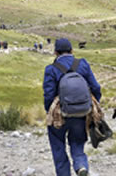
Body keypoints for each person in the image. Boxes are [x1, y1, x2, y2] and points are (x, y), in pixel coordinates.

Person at [43, 38, 101, 176]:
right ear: (72, 50)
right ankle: (81, 165)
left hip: (60, 113)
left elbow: (48, 95)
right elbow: (96, 87)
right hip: (81, 112)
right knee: (77, 143)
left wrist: (49, 112)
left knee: (58, 146)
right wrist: (92, 105)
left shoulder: (51, 69)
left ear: (55, 52)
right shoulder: (82, 64)